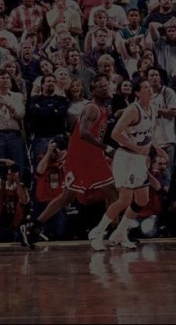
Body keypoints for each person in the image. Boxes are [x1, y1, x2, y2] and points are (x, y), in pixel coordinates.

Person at [20, 75, 117, 247]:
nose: (106, 88)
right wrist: (106, 148)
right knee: (73, 197)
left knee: (110, 194)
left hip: (92, 157)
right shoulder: (92, 108)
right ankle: (110, 232)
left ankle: (33, 227)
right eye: (101, 86)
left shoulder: (103, 108)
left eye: (106, 85)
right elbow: (83, 133)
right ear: (93, 91)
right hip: (82, 158)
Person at [88, 77, 166, 250]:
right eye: (145, 87)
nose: (149, 89)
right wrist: (136, 148)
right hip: (126, 158)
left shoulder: (152, 108)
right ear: (137, 93)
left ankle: (120, 233)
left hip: (139, 160)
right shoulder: (132, 110)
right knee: (124, 200)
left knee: (143, 199)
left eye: (150, 87)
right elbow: (115, 134)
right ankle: (97, 232)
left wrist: (157, 148)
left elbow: (150, 132)